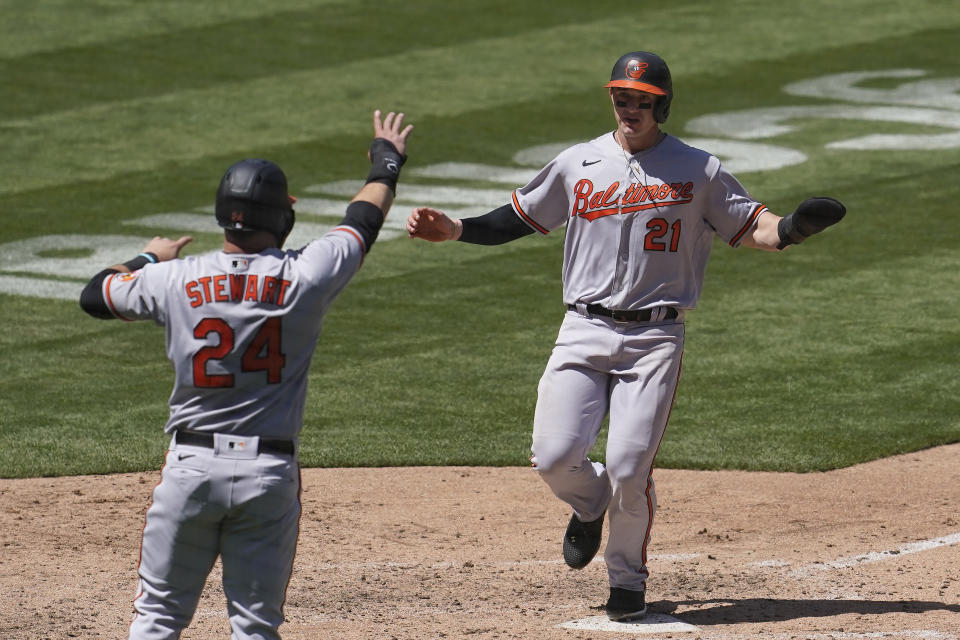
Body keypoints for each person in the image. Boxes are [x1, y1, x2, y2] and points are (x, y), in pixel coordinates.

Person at [406, 51, 845, 622]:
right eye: (622, 97)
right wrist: (457, 230)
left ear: (661, 104)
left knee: (630, 466)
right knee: (554, 456)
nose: (631, 107)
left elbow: (754, 227)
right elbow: (518, 217)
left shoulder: (697, 169)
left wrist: (794, 229)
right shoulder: (579, 162)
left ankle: (627, 581)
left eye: (642, 100)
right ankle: (589, 507)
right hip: (582, 328)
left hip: (655, 340)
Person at [79, 110, 413, 639]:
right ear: (281, 217)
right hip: (267, 475)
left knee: (158, 619)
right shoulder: (307, 275)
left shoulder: (171, 279)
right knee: (256, 626)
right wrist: (386, 161)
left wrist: (148, 256)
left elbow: (94, 295)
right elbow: (362, 222)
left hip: (189, 470)